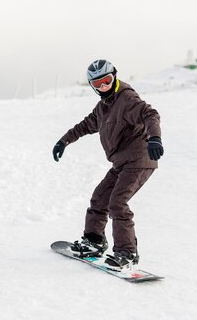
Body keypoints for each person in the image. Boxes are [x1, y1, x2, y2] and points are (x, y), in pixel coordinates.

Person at [52, 59, 164, 269]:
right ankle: (94, 241)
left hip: (140, 160)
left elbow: (150, 114)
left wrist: (154, 138)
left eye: (107, 81)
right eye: (98, 84)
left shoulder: (127, 99)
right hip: (121, 163)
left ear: (114, 76)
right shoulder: (104, 107)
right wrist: (63, 141)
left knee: (118, 203)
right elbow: (85, 125)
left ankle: (127, 253)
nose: (103, 87)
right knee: (99, 198)